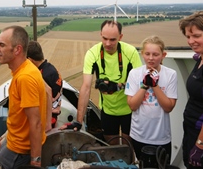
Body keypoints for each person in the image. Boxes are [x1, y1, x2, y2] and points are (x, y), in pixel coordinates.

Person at [60, 20, 142, 145]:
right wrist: (78, 121)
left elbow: (139, 84)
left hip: (129, 110)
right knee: (113, 147)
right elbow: (86, 87)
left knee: (128, 147)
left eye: (113, 40)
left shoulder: (130, 52)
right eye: (105, 38)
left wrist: (117, 87)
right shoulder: (93, 53)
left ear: (121, 37)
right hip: (108, 110)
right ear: (100, 35)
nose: (108, 43)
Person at [0, 26, 47, 169]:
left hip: (20, 150)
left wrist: (35, 161)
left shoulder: (25, 78)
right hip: (14, 140)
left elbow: (35, 122)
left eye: (2, 45)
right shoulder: (24, 68)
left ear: (17, 50)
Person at [124, 35, 177, 163]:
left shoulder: (170, 74)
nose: (151, 58)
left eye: (155, 54)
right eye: (147, 54)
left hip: (161, 137)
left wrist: (155, 85)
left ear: (163, 55)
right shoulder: (134, 73)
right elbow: (132, 105)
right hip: (139, 135)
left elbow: (168, 107)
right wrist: (144, 86)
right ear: (142, 54)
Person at [179, 11, 203, 168]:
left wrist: (200, 145)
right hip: (190, 129)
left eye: (196, 36)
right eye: (188, 36)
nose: (191, 41)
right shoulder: (199, 58)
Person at [27, 40, 63, 128]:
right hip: (52, 116)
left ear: (30, 60)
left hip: (46, 121)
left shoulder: (42, 76)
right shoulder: (51, 69)